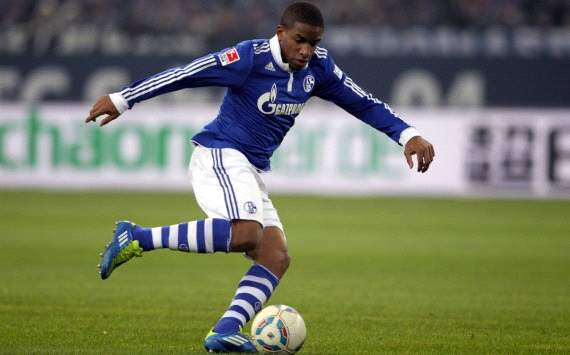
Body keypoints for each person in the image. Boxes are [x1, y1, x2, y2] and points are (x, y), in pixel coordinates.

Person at [85, 2, 435, 353]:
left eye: (313, 43)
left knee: (275, 255)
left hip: (249, 168)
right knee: (246, 232)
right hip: (220, 153)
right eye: (300, 41)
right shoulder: (249, 58)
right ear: (280, 33)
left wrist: (408, 135)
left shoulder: (319, 67)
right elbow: (189, 72)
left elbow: (363, 102)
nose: (306, 51)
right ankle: (137, 237)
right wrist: (123, 98)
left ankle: (224, 331)